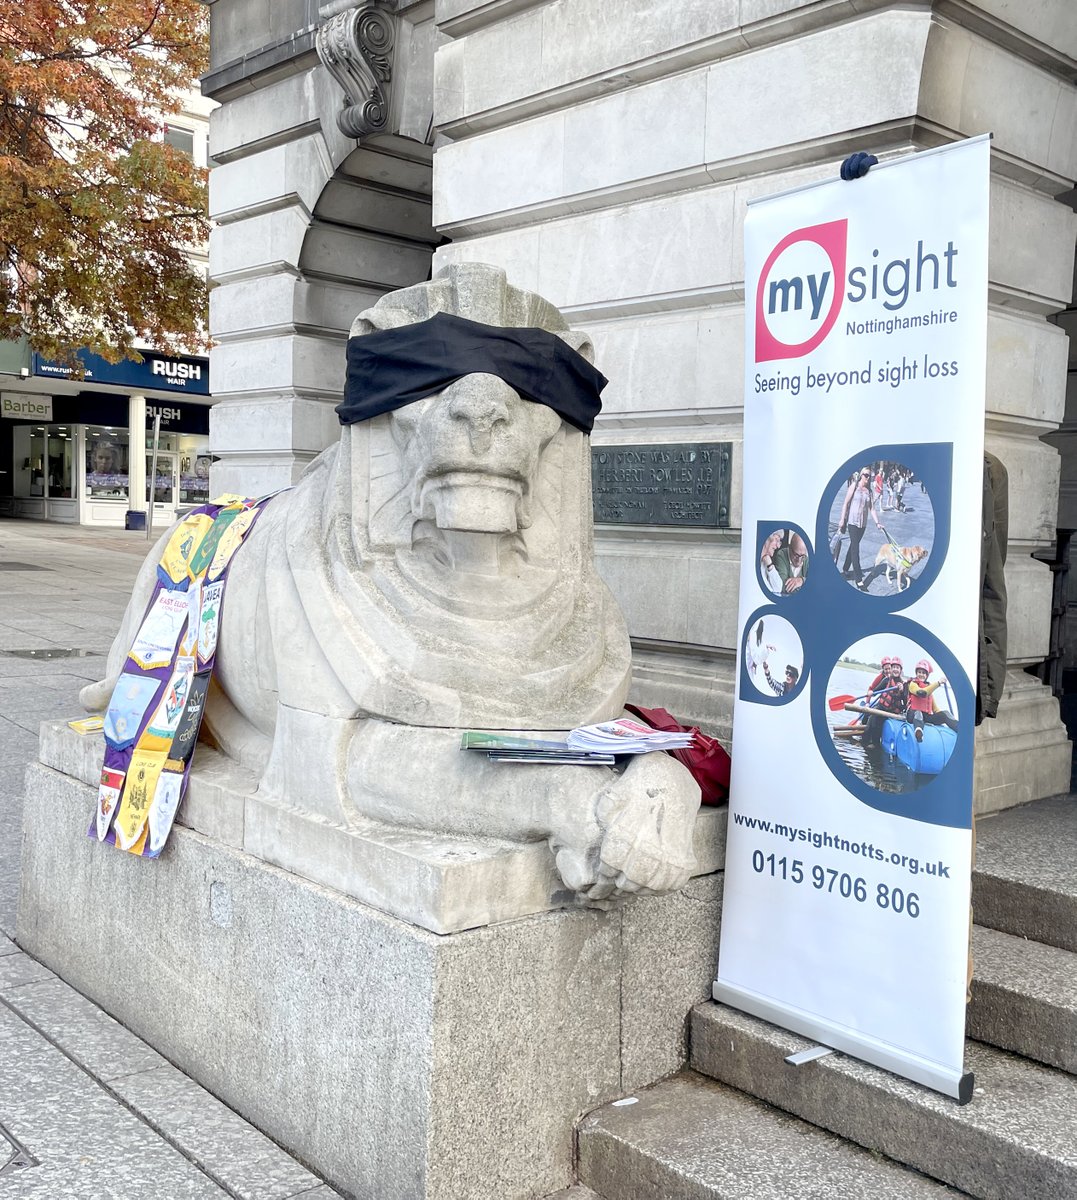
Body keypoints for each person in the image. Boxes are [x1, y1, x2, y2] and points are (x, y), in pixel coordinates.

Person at [837, 467, 883, 584]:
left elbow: (872, 509)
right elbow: (845, 503)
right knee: (855, 549)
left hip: (863, 524)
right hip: (852, 522)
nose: (868, 478)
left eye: (870, 476)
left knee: (853, 545)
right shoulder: (854, 486)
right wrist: (842, 519)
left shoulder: (869, 492)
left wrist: (877, 523)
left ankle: (845, 568)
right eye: (866, 475)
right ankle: (858, 579)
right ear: (861, 475)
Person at [906, 659, 958, 741]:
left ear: (927, 675)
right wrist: (938, 683)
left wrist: (942, 716)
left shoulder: (929, 688)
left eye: (923, 673)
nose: (921, 674)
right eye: (919, 672)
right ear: (916, 673)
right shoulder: (913, 684)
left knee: (945, 713)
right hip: (913, 714)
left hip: (926, 717)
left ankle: (960, 729)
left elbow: (936, 709)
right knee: (918, 713)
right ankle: (918, 732)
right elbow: (922, 693)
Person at [759, 529, 785, 594]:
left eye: (779, 541)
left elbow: (778, 588)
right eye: (776, 540)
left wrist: (770, 565)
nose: (778, 546)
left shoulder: (765, 562)